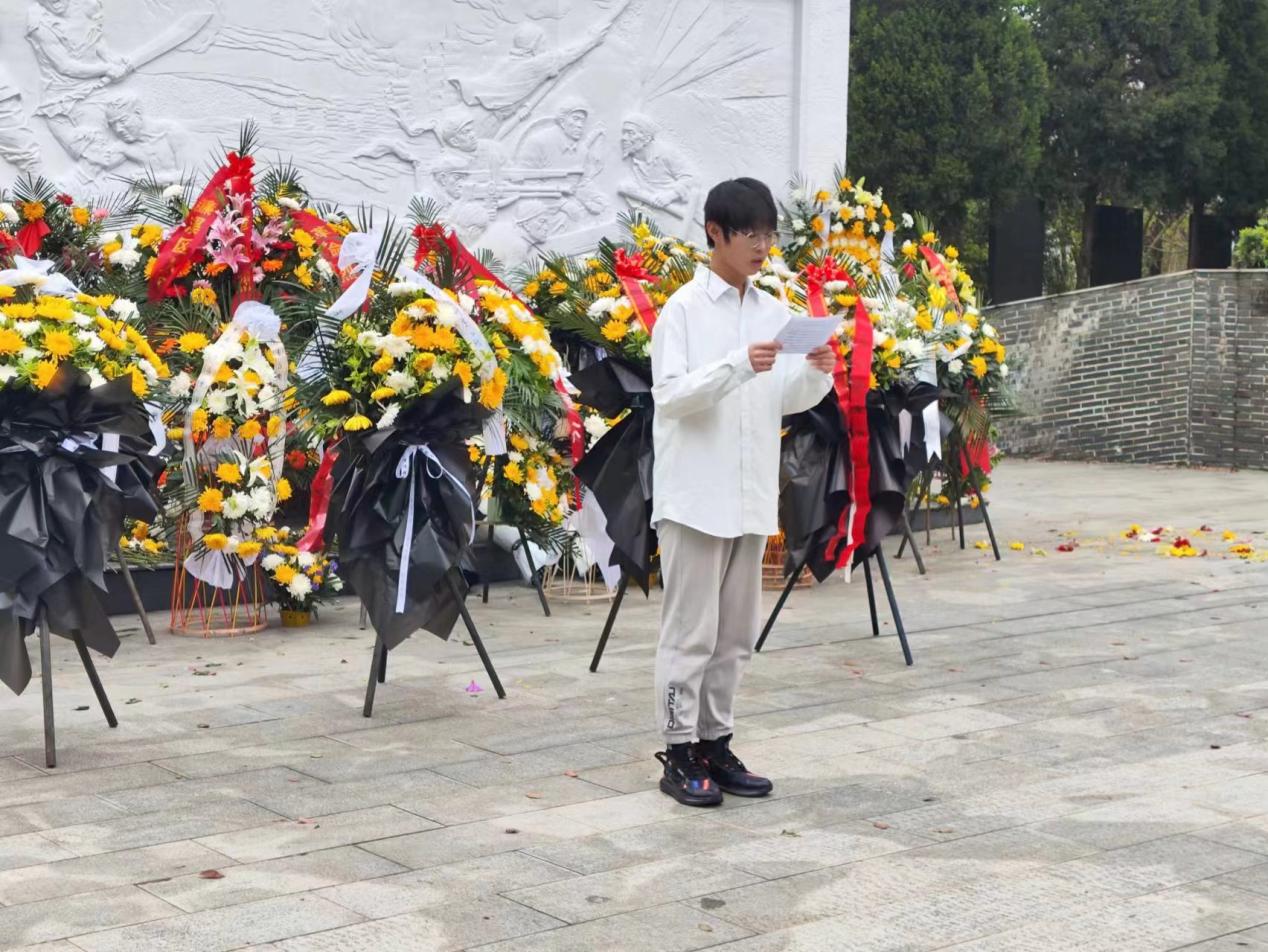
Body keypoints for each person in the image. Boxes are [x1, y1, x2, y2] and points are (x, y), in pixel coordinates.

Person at [651, 178, 836, 806]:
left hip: (750, 494)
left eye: (769, 234)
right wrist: (735, 365)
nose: (762, 246)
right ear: (715, 233)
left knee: (735, 635)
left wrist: (815, 375)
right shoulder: (682, 311)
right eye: (750, 233)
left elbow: (783, 398)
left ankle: (715, 742)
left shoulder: (773, 312)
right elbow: (670, 397)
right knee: (691, 633)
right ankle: (678, 750)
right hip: (694, 498)